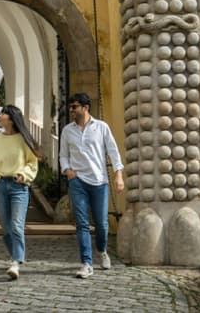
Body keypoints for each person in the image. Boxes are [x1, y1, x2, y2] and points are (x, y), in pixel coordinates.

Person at [59, 92, 124, 279]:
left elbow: (113, 151)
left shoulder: (101, 127)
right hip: (77, 181)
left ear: (85, 108)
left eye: (74, 106)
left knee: (102, 224)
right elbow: (63, 155)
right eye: (70, 106)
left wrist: (118, 175)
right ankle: (86, 263)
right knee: (82, 223)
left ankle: (102, 251)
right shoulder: (67, 131)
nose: (71, 110)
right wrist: (67, 170)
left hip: (99, 181)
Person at [0, 105, 40, 280]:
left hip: (18, 186)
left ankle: (16, 261)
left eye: (3, 113)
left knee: (16, 225)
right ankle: (15, 256)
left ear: (12, 118)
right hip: (0, 186)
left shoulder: (24, 139)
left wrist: (24, 175)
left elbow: (33, 163)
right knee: (6, 229)